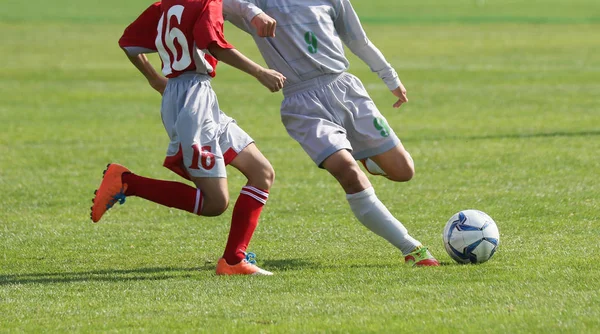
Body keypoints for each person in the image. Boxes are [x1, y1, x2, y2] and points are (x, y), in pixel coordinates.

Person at [222, 0, 439, 266]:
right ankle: (412, 249)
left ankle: (369, 159)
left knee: (403, 171)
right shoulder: (256, 3)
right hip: (302, 103)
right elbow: (210, 5)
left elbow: (358, 40)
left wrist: (390, 77)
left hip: (346, 89)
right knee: (348, 173)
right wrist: (253, 13)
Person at [90, 0, 287, 276]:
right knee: (215, 203)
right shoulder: (208, 2)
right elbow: (213, 44)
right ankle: (127, 182)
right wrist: (259, 71)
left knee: (262, 172)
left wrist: (155, 79)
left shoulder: (165, 5)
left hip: (193, 97)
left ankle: (233, 260)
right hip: (193, 104)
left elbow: (129, 43)